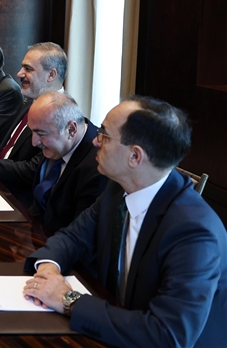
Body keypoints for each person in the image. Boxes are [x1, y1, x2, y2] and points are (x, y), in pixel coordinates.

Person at [23, 97, 227, 347]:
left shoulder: (194, 231)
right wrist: (48, 270)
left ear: (135, 156)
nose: (95, 141)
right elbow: (73, 237)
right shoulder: (117, 190)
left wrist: (68, 300)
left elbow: (167, 335)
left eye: (105, 135)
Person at [0, 92, 105, 233]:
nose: (34, 142)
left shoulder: (98, 166)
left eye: (41, 134)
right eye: (32, 133)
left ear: (71, 130)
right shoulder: (58, 141)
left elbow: (79, 235)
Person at [0, 42, 68, 168]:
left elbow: (33, 169)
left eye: (28, 69)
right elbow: (11, 148)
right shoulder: (30, 102)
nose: (19, 74)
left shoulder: (60, 115)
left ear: (51, 75)